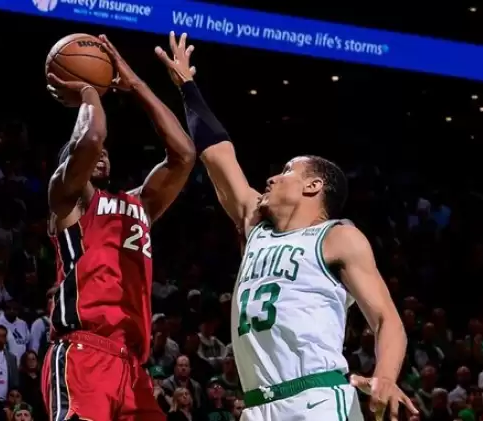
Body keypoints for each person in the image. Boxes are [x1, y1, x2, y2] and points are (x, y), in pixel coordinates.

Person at [156, 31, 417, 421]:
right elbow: (217, 155)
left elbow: (386, 319)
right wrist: (188, 87)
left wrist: (386, 376)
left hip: (316, 399)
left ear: (313, 186)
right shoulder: (255, 225)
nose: (272, 178)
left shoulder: (338, 237)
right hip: (257, 405)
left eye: (286, 171)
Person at [41, 34, 195, 421]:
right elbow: (92, 137)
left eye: (106, 153)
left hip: (132, 366)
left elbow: (184, 154)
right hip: (83, 352)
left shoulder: (138, 204)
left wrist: (136, 84)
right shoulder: (68, 200)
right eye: (89, 154)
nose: (101, 153)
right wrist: (89, 91)